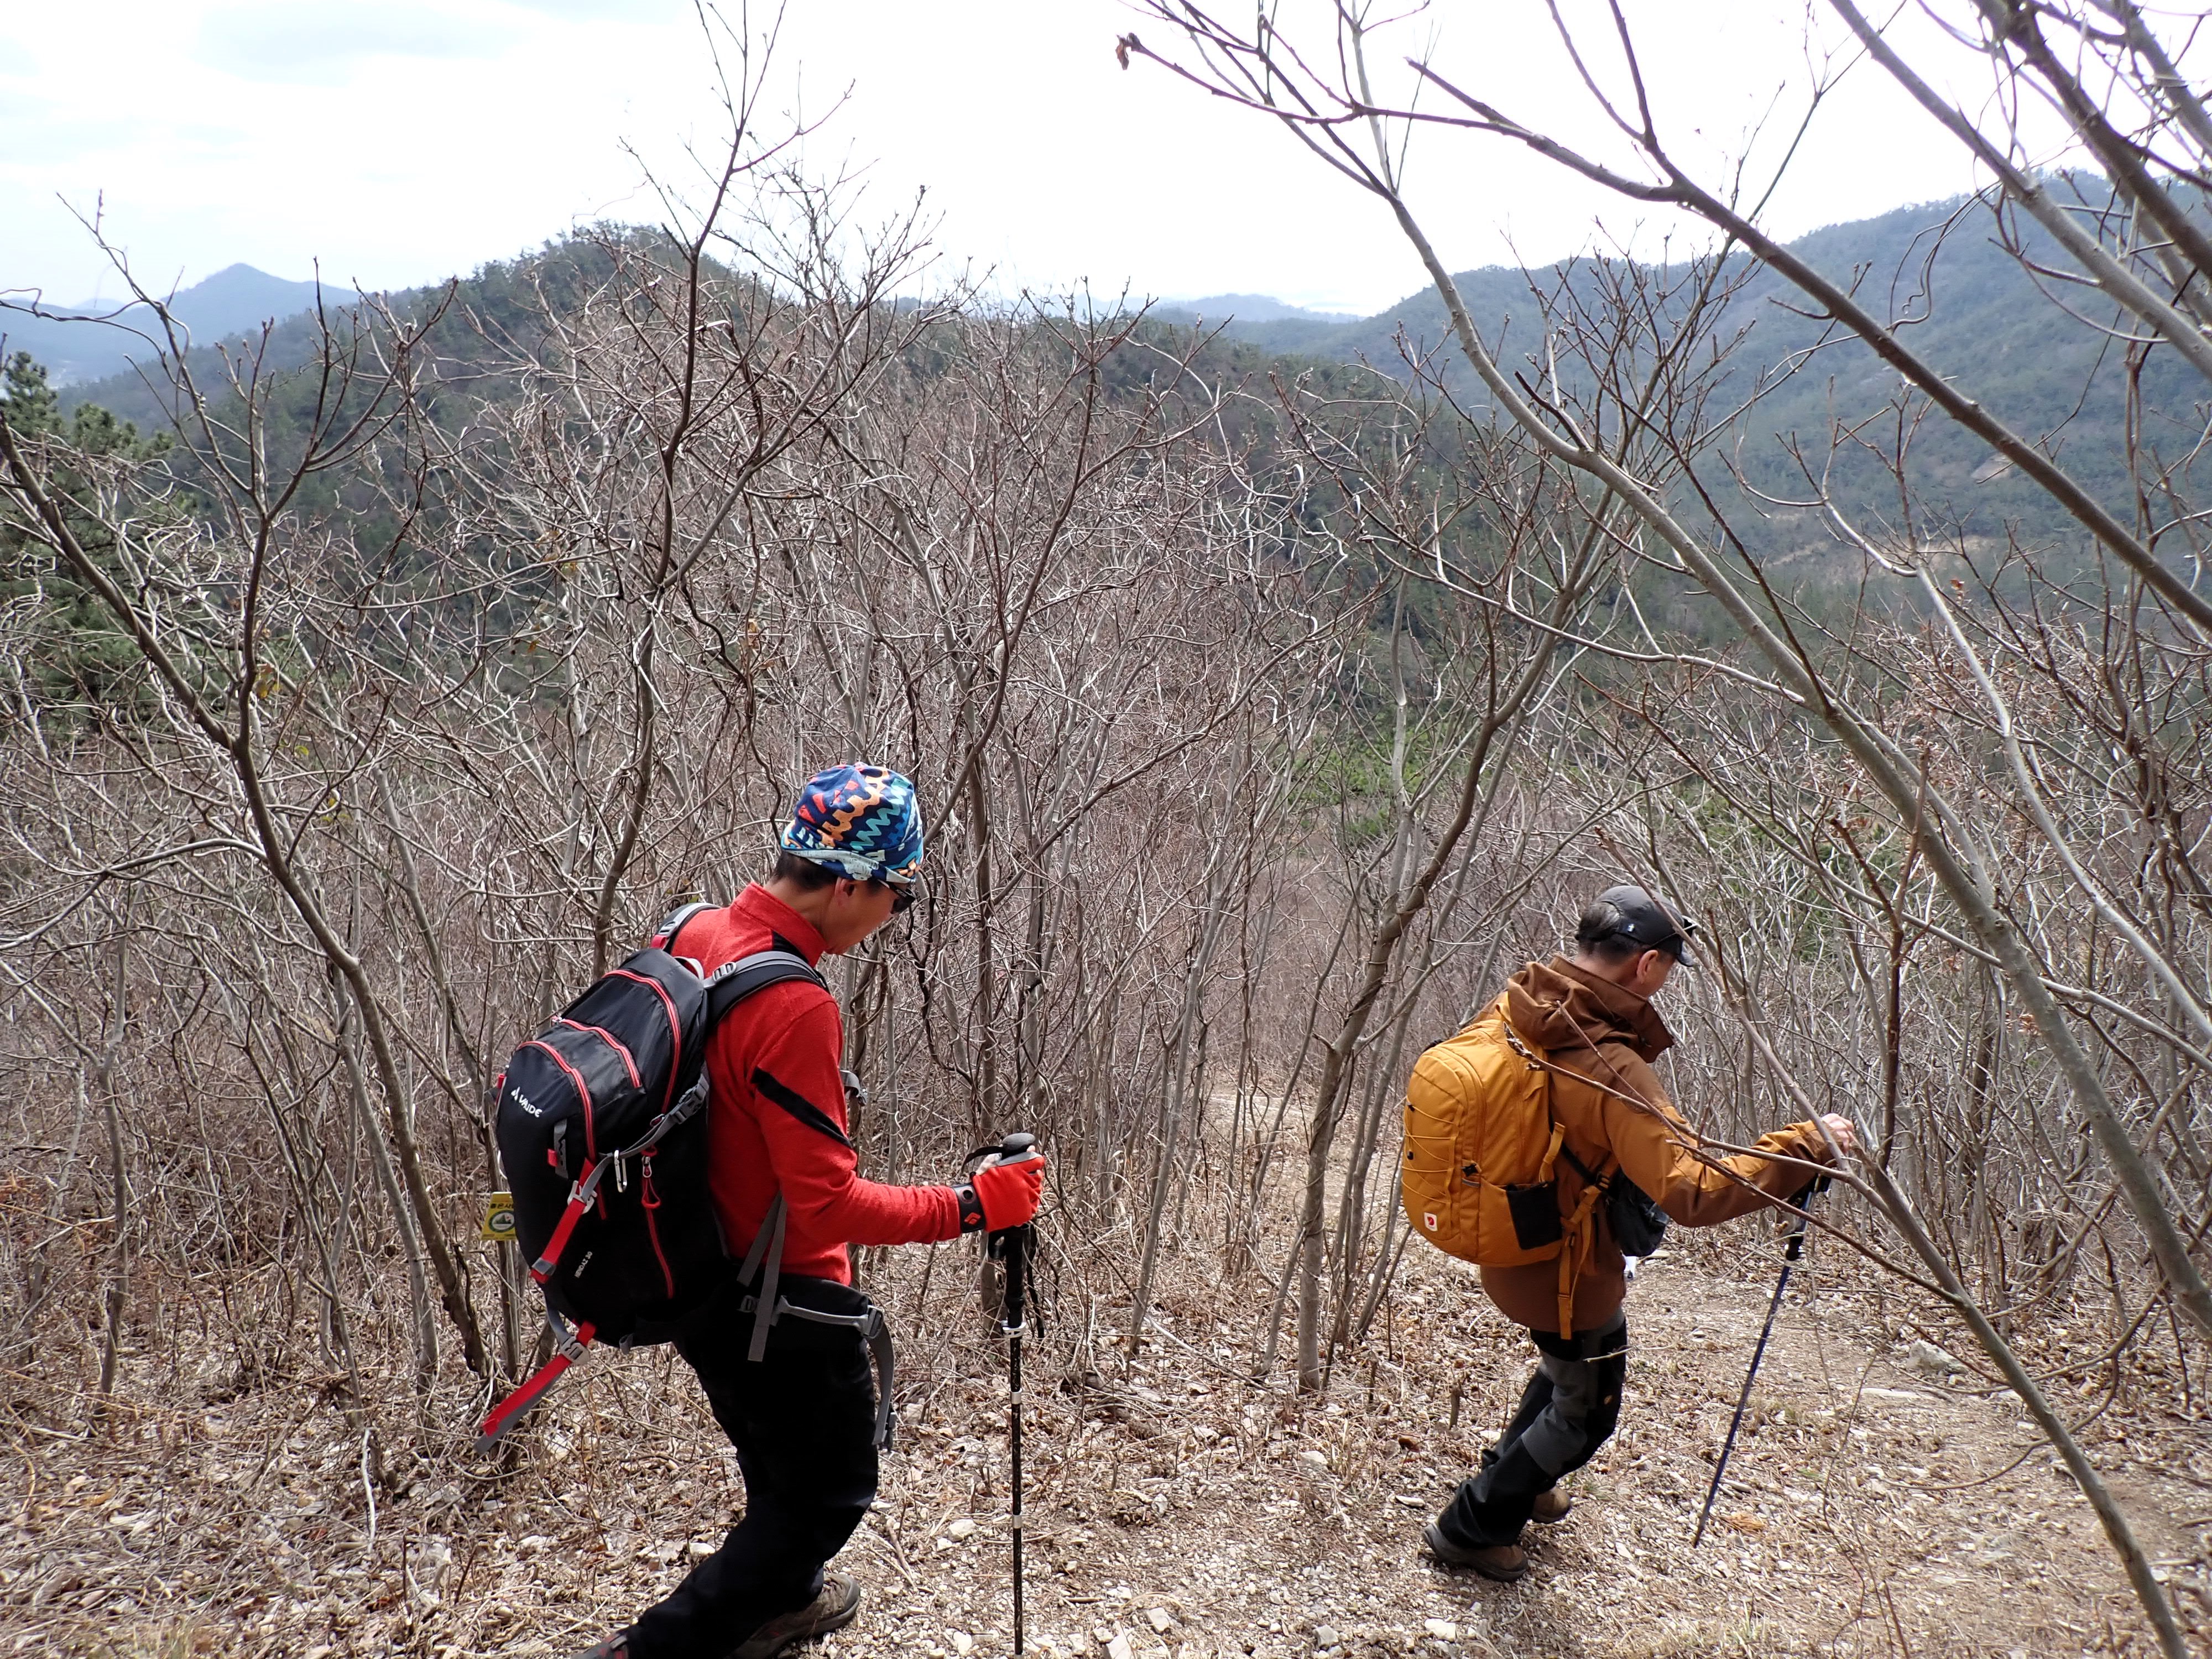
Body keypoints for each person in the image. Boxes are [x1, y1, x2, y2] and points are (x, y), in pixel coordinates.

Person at [578, 764, 1047, 1659]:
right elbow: (828, 1206)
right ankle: (656, 1649)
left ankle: (786, 1605)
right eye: (897, 895)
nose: (894, 915)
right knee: (827, 1495)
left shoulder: (692, 931)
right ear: (847, 886)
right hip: (781, 1301)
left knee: (776, 1465)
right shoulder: (794, 1005)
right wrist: (972, 1206)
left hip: (691, 1271)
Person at [1422, 884, 1856, 1583]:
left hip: (1509, 1245)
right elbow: (1694, 1189)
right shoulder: (1607, 1065)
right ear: (1647, 964)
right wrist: (1804, 1147)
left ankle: (1524, 1479)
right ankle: (1473, 1526)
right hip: (1568, 1274)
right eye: (1671, 966)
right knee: (1586, 1413)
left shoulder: (1521, 1007)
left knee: (1563, 1372)